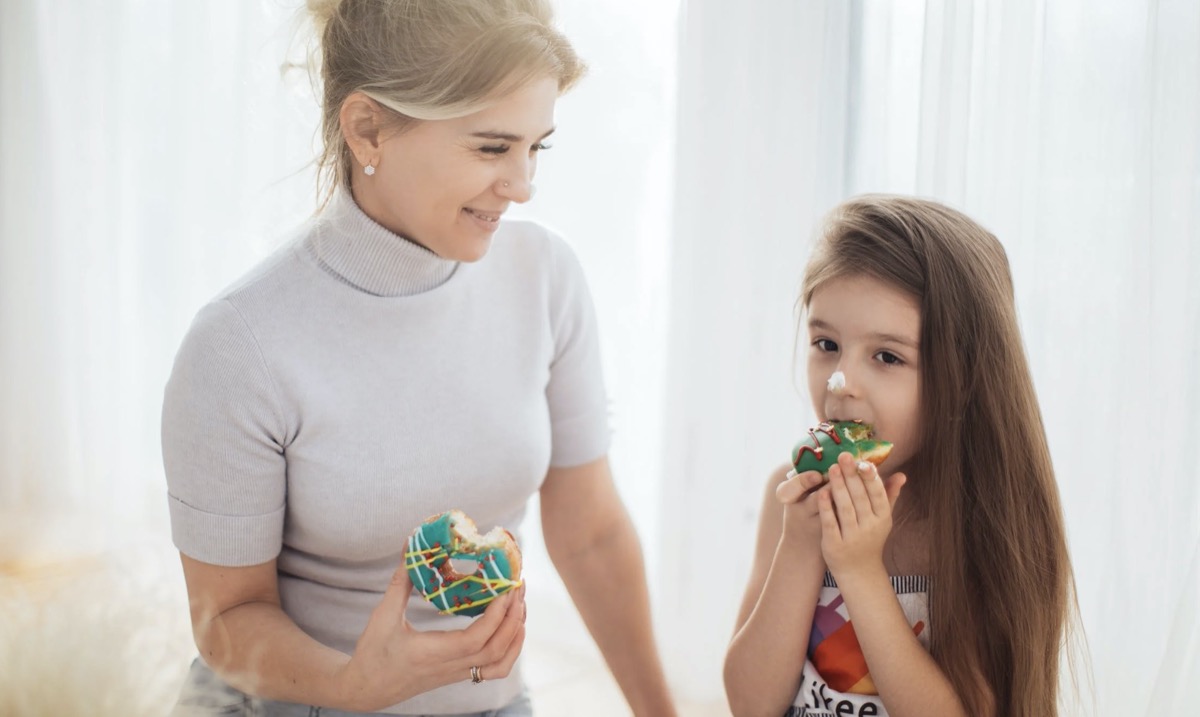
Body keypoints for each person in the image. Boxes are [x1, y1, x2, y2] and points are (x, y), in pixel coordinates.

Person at [161, 0, 676, 715]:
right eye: (492, 148)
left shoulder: (546, 277)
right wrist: (353, 685)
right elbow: (225, 617)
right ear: (368, 128)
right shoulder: (240, 343)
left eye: (537, 147)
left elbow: (590, 532)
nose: (523, 184)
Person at [723, 196, 1080, 717]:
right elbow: (749, 704)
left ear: (964, 378)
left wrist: (861, 571)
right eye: (826, 344)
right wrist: (801, 546)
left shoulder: (982, 518)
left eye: (887, 356)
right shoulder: (792, 493)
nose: (841, 383)